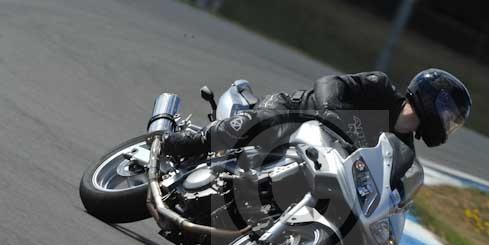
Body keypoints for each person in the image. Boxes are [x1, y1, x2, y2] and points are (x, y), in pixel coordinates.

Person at [163, 69, 471, 159]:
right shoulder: (380, 88)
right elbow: (330, 83)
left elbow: (391, 181)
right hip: (294, 114)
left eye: (453, 121)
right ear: (431, 99)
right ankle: (191, 141)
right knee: (264, 122)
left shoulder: (402, 148)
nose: (448, 124)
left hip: (314, 160)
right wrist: (333, 111)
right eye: (449, 114)